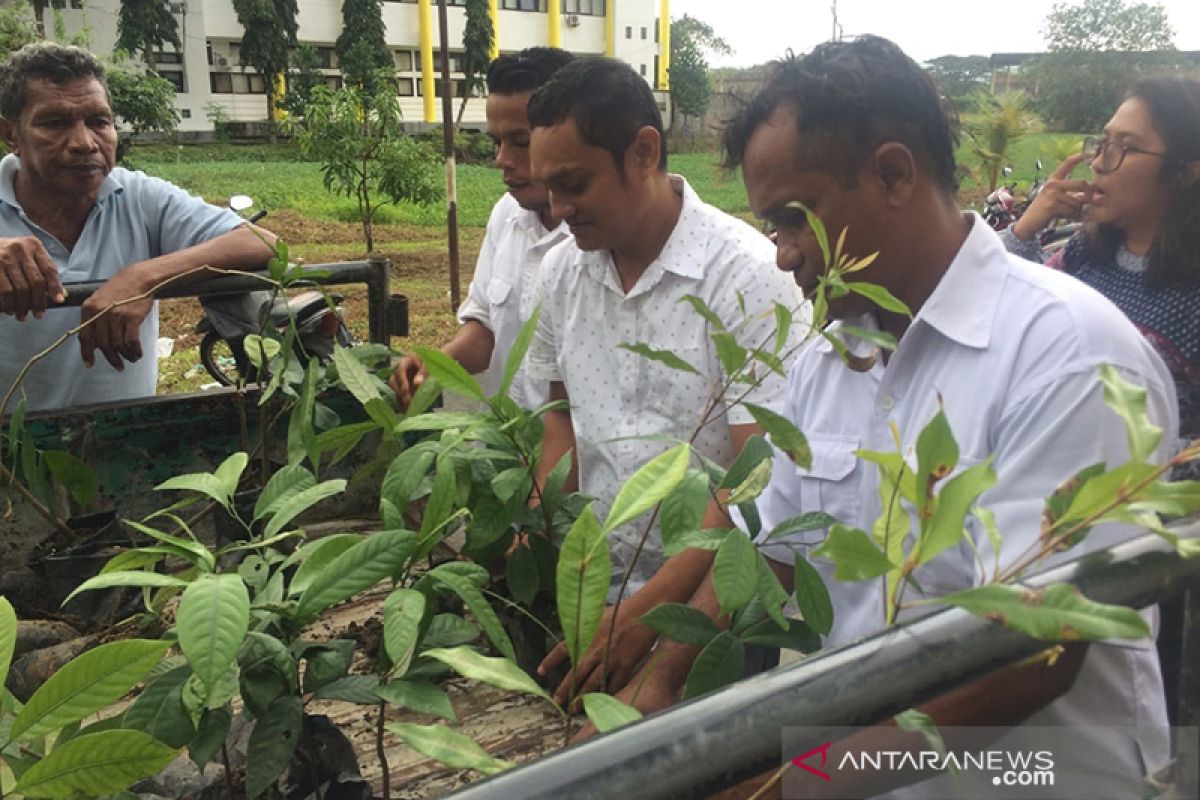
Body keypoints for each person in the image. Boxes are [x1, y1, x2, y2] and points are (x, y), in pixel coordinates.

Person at [595, 37, 1177, 797]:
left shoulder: (1067, 354)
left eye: (795, 220)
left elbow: (1035, 653)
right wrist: (657, 686)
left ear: (894, 174)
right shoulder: (828, 362)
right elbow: (776, 544)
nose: (782, 256)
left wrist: (783, 785)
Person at [524, 56, 806, 703]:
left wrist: (650, 617)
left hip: (711, 609)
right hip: (594, 597)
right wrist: (543, 530)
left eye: (573, 183)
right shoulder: (562, 274)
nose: (557, 208)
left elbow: (755, 477)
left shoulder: (747, 277)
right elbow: (559, 416)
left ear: (643, 152)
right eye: (549, 188)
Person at [999, 76, 1200, 739]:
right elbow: (991, 318)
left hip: (1154, 567)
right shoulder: (1080, 258)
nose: (1097, 162)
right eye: (1101, 143)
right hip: (1043, 549)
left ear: (1185, 173)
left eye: (1123, 148)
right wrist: (1027, 225)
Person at [0, 43, 277, 413]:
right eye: (55, 123)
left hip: (130, 446)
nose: (84, 143)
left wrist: (144, 277)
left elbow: (263, 242)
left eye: (99, 122)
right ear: (11, 134)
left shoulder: (137, 196)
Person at [389, 47, 574, 410]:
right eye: (496, 142)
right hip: (508, 448)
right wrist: (435, 363)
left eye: (521, 142)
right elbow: (487, 327)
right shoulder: (507, 215)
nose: (502, 160)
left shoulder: (598, 233)